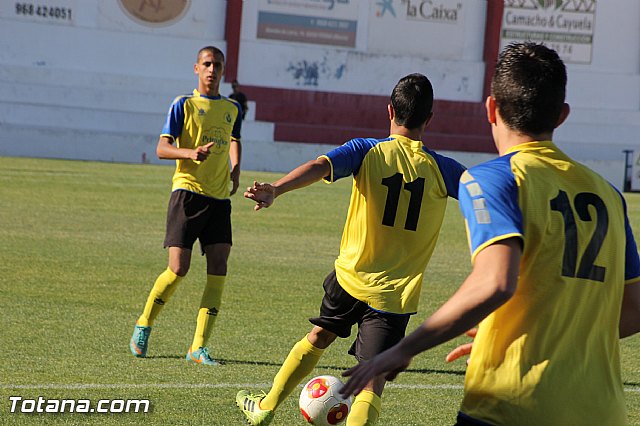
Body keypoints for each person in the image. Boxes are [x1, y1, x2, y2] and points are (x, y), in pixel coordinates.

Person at [340, 42, 640, 425]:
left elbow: (496, 282)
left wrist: (405, 348)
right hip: (603, 412)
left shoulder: (493, 179)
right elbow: (634, 310)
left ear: (491, 109)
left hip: (512, 405)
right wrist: (524, 328)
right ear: (562, 115)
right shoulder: (608, 194)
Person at [236, 73, 466, 425]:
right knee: (371, 384)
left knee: (319, 335)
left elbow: (319, 166)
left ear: (389, 110)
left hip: (349, 278)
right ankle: (268, 407)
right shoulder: (444, 169)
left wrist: (276, 190)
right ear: (429, 119)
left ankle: (266, 407)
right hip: (394, 296)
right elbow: (483, 195)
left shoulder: (366, 150)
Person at [129, 46, 243, 366]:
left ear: (223, 69)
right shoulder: (183, 104)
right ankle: (145, 323)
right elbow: (163, 148)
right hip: (187, 194)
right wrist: (190, 153)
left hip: (219, 199)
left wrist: (236, 168)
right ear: (196, 68)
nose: (212, 70)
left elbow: (234, 138)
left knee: (218, 268)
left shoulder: (232, 108)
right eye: (206, 64)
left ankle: (198, 347)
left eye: (217, 65)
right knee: (178, 268)